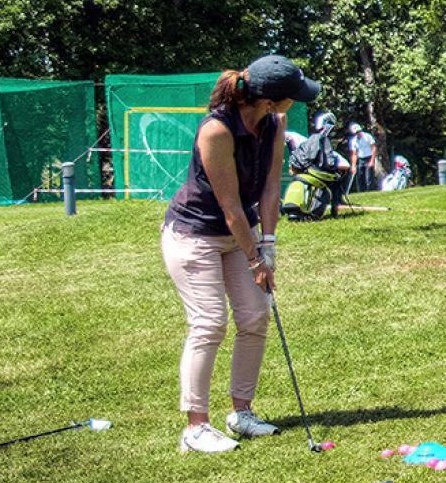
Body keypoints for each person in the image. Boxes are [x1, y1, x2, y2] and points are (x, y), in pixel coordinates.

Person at [158, 55, 319, 454]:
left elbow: (268, 188)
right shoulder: (216, 130)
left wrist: (269, 245)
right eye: (292, 97)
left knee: (254, 315)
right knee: (209, 323)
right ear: (269, 99)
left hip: (237, 233)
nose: (296, 103)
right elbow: (229, 206)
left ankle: (241, 413)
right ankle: (195, 427)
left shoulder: (274, 124)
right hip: (193, 234)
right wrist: (254, 260)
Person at [348, 121, 379, 193]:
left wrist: (372, 161)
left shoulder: (368, 136)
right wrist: (353, 166)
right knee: (360, 177)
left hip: (369, 157)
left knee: (368, 177)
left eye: (358, 131)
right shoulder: (353, 141)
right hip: (360, 159)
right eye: (356, 132)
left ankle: (370, 192)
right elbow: (354, 154)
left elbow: (374, 148)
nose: (358, 133)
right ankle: (361, 192)